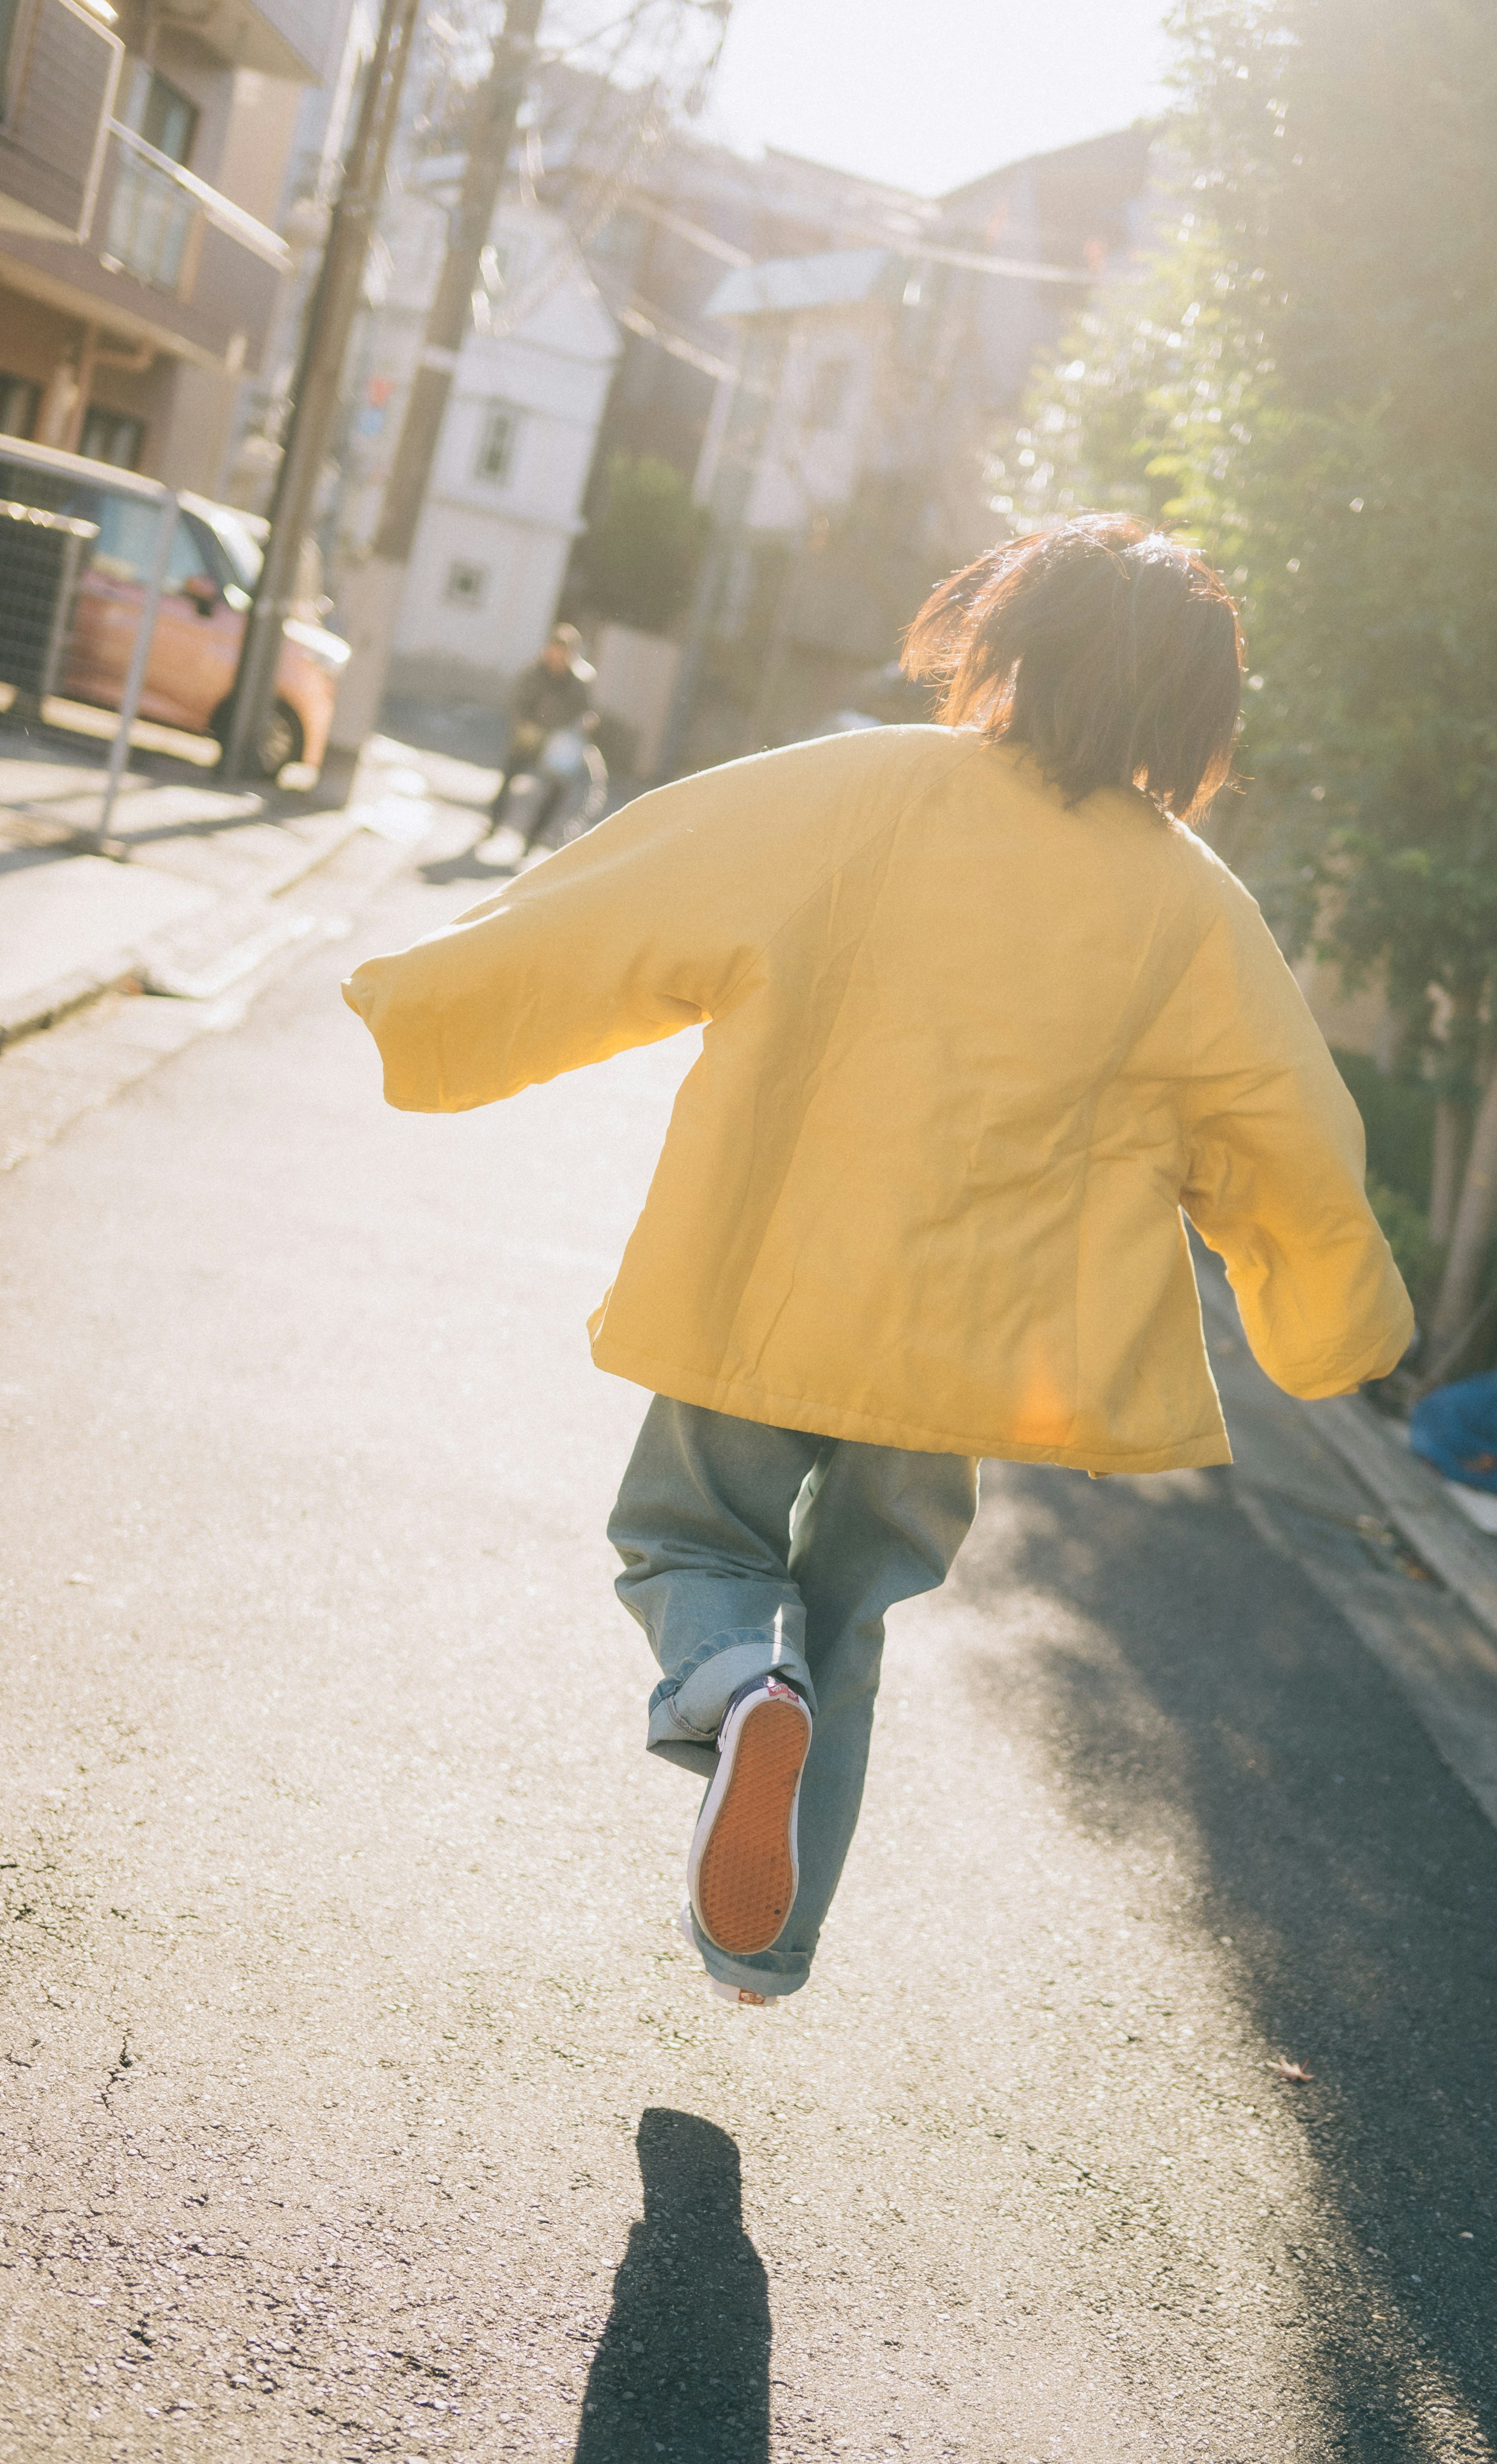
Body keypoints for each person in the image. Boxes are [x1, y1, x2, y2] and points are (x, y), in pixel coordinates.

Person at [342, 517, 1413, 2008]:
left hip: (768, 1282)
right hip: (973, 1355)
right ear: (1194, 716)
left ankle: (733, 1682)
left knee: (694, 1538)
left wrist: (434, 1005)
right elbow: (1283, 1134)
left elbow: (628, 897)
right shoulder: (1195, 911)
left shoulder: (853, 791)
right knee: (854, 1618)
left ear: (1012, 644)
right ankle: (758, 1950)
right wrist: (1336, 1318)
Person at [483, 622, 599, 854]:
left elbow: (586, 711)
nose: (557, 658)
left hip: (558, 744)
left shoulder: (580, 681)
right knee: (509, 780)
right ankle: (494, 825)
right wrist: (523, 725)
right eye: (554, 652)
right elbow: (518, 702)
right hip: (530, 736)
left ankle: (532, 840)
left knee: (557, 790)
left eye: (564, 654)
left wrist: (587, 723)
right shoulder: (535, 672)